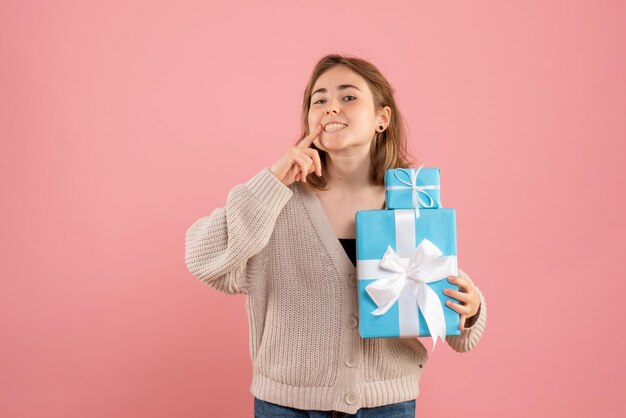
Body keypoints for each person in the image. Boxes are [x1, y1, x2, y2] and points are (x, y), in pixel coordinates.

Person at [184, 54, 487, 417]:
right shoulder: (277, 201)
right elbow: (204, 258)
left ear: (382, 118)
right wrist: (272, 179)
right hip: (286, 406)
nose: (330, 108)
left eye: (348, 97)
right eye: (319, 99)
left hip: (385, 406)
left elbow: (453, 322)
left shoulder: (411, 198)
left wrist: (470, 308)